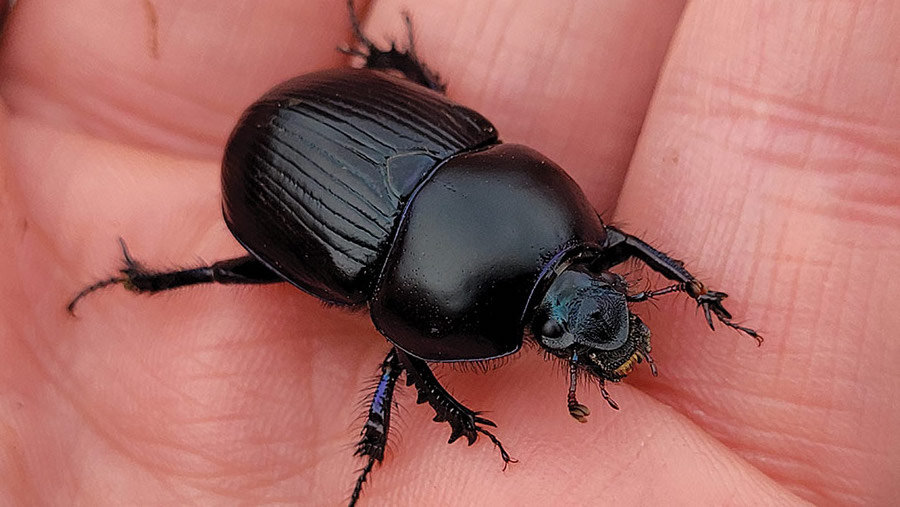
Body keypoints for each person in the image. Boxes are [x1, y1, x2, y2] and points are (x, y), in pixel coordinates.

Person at [0, 1, 896, 504]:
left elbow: (596, 251)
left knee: (399, 345)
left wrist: (695, 289)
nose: (590, 309)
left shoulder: (524, 209)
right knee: (254, 285)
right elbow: (414, 357)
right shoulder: (491, 250)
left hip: (346, 139)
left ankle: (142, 281)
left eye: (567, 323)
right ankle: (148, 279)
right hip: (283, 179)